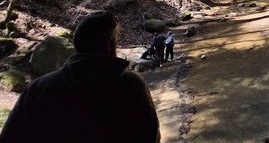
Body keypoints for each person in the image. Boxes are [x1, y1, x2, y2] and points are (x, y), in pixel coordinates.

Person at [0, 11, 160, 142]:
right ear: (110, 43)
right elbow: (150, 136)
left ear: (77, 44)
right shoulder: (130, 85)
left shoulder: (37, 88)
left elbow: (10, 137)